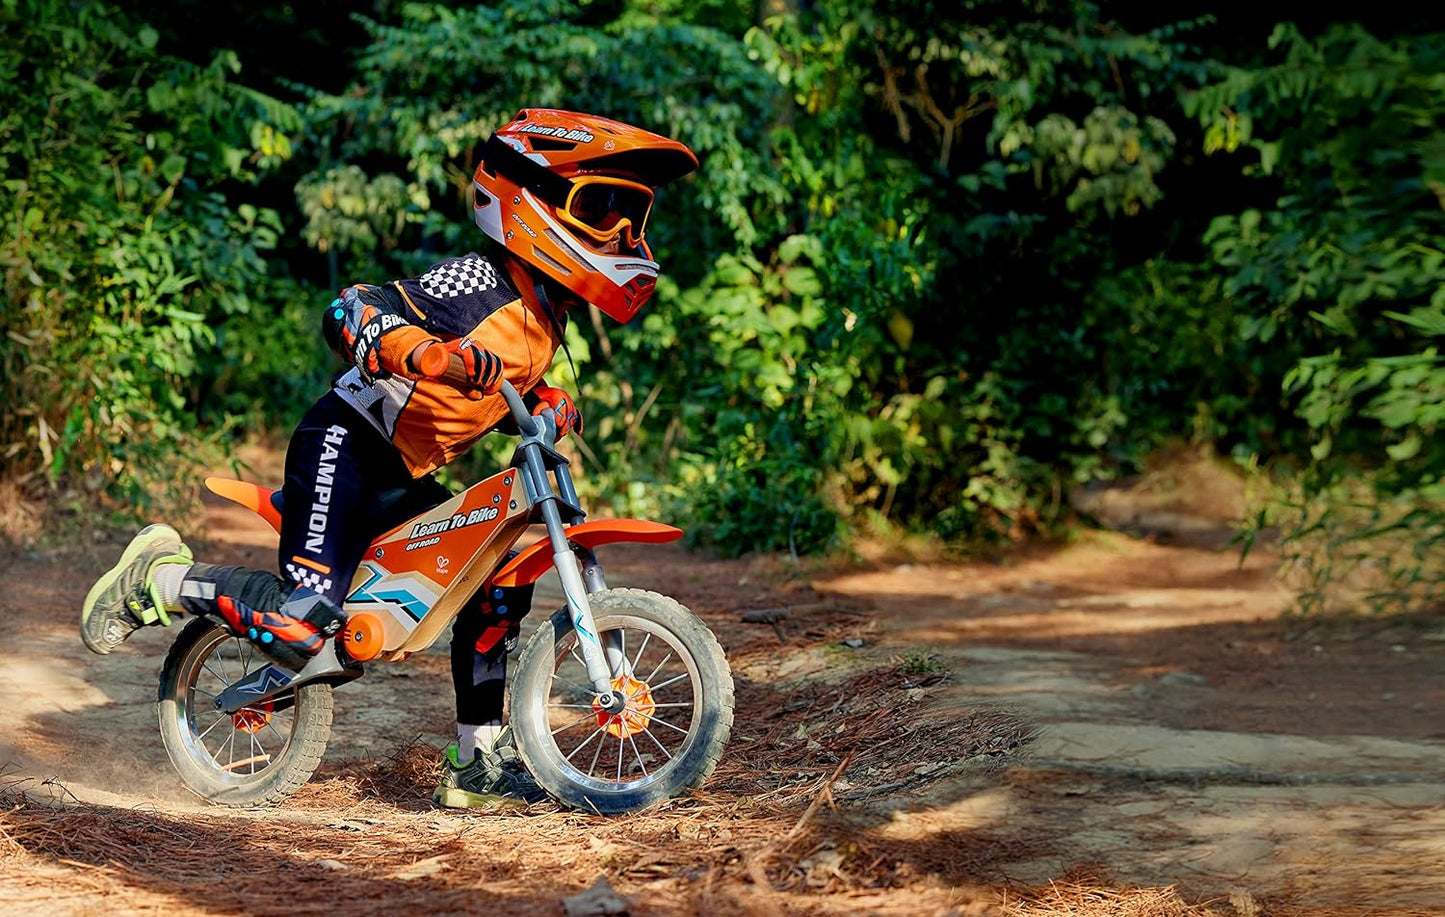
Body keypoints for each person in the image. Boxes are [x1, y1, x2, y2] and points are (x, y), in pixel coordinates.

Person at [78, 108, 699, 809]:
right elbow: (352, 309)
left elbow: (483, 390)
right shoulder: (478, 285)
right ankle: (159, 579)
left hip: (403, 474)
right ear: (531, 203)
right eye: (602, 209)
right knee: (301, 619)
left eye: (632, 217)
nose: (620, 233)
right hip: (342, 447)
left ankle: (476, 762)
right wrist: (422, 350)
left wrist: (546, 397)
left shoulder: (544, 318)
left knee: (494, 581)